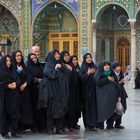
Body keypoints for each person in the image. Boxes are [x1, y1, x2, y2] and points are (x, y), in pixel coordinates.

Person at [38, 49, 69, 135]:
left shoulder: (61, 65)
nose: (58, 55)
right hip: (52, 92)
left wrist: (61, 67)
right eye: (55, 54)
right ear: (52, 56)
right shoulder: (49, 66)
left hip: (61, 91)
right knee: (51, 111)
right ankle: (50, 129)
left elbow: (66, 74)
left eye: (58, 54)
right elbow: (51, 75)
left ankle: (59, 129)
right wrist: (56, 69)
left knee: (61, 109)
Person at [94, 61, 120, 130]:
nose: (107, 66)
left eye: (108, 65)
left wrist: (118, 95)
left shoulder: (111, 72)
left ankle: (110, 126)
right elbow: (97, 82)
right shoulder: (99, 72)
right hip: (101, 97)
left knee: (111, 110)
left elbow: (117, 83)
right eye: (105, 65)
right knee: (101, 110)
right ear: (102, 66)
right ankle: (100, 126)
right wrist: (107, 79)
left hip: (111, 96)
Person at [11, 50, 33, 131]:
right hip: (15, 92)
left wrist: (25, 84)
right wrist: (18, 71)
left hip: (24, 91)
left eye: (20, 55)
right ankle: (15, 128)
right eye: (17, 56)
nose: (19, 57)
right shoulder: (11, 66)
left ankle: (22, 127)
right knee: (17, 109)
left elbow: (29, 77)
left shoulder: (24, 66)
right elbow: (11, 77)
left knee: (24, 109)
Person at [0, 55, 20, 138]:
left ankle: (14, 132)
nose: (8, 63)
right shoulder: (1, 71)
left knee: (15, 114)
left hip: (14, 96)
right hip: (4, 97)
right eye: (7, 61)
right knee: (4, 115)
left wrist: (16, 83)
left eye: (9, 61)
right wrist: (7, 86)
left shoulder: (13, 70)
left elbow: (18, 79)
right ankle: (4, 133)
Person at [80, 53, 97, 131]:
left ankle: (93, 124)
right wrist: (88, 73)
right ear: (85, 59)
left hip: (94, 91)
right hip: (85, 92)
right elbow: (81, 79)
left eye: (90, 57)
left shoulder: (94, 67)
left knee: (93, 108)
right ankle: (87, 125)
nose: (89, 59)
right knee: (86, 108)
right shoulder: (83, 67)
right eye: (87, 57)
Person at [60, 51, 74, 131]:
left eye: (68, 55)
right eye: (65, 55)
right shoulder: (62, 65)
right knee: (64, 107)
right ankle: (63, 125)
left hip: (71, 89)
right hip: (63, 89)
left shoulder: (71, 65)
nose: (67, 57)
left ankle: (70, 125)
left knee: (70, 107)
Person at [112, 61, 128, 129]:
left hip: (121, 93)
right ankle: (111, 123)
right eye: (117, 67)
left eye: (119, 67)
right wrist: (119, 82)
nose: (118, 68)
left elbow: (122, 84)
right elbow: (111, 84)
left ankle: (118, 124)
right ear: (114, 68)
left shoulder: (121, 74)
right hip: (113, 93)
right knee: (114, 109)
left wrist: (122, 82)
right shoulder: (111, 74)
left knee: (121, 107)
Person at [69, 55, 81, 130]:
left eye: (76, 59)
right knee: (72, 108)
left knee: (77, 108)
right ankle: (71, 124)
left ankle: (75, 123)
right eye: (73, 60)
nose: (75, 61)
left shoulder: (79, 69)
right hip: (72, 91)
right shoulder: (70, 69)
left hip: (78, 91)